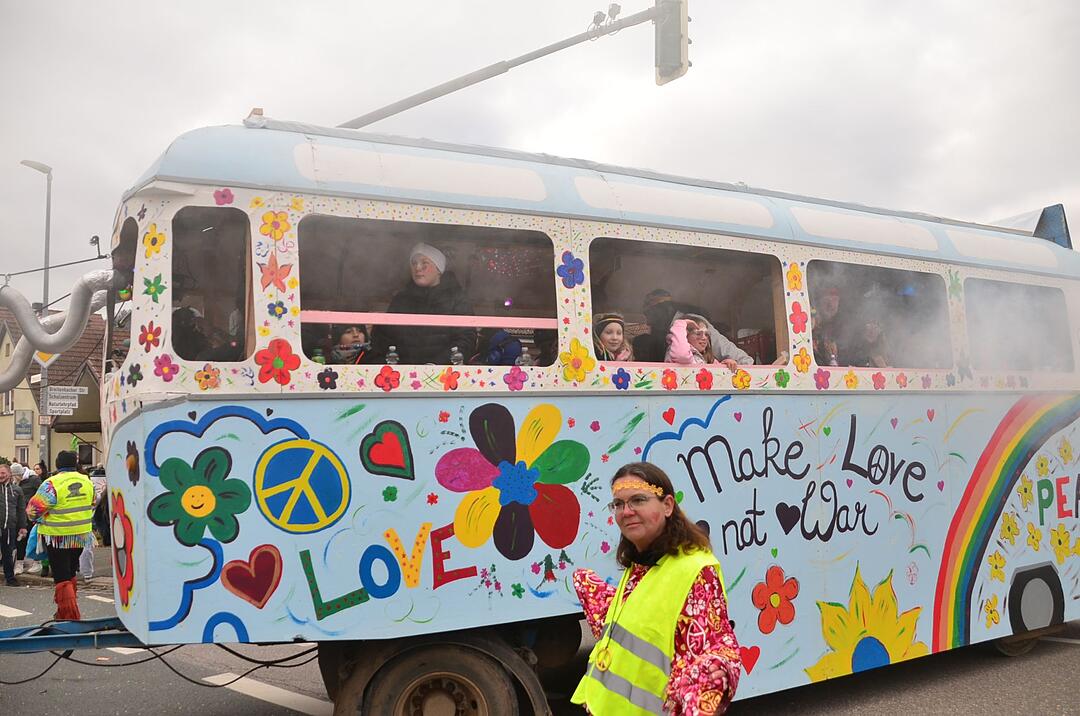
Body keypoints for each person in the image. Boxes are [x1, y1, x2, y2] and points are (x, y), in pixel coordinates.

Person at [571, 462, 741, 714]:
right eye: (618, 504)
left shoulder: (695, 571)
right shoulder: (641, 562)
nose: (626, 511)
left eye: (638, 500)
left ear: (668, 505)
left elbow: (710, 654)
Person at [25, 451, 103, 619]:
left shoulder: (52, 483)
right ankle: (65, 610)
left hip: (58, 537)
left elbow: (33, 510)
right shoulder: (86, 481)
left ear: (57, 464)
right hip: (81, 535)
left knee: (61, 576)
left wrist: (39, 517)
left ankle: (69, 614)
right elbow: (94, 502)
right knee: (70, 573)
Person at [370, 243, 477, 364]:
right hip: (404, 375)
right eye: (414, 263)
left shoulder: (457, 299)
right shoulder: (401, 300)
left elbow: (466, 338)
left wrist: (437, 365)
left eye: (424, 263)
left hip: (445, 375)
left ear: (438, 268)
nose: (418, 268)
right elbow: (385, 338)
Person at [666, 317, 752, 371]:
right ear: (685, 335)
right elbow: (682, 356)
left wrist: (725, 364)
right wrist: (680, 324)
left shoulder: (706, 358)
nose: (704, 338)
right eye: (698, 333)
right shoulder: (676, 350)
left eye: (707, 334)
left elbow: (716, 375)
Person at [1, 463, 29, 587]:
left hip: (9, 527)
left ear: (9, 474)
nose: (1, 475)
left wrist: (23, 526)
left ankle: (10, 578)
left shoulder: (17, 490)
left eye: (3, 473)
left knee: (8, 553)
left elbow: (21, 509)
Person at [811, 285, 850, 366]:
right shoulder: (812, 325)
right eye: (827, 300)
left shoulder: (842, 327)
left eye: (835, 300)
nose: (831, 304)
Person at [15, 461, 43, 575]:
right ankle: (19, 563)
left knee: (34, 539)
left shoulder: (34, 480)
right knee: (21, 540)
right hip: (20, 516)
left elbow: (41, 494)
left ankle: (37, 562)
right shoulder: (15, 483)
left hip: (33, 515)